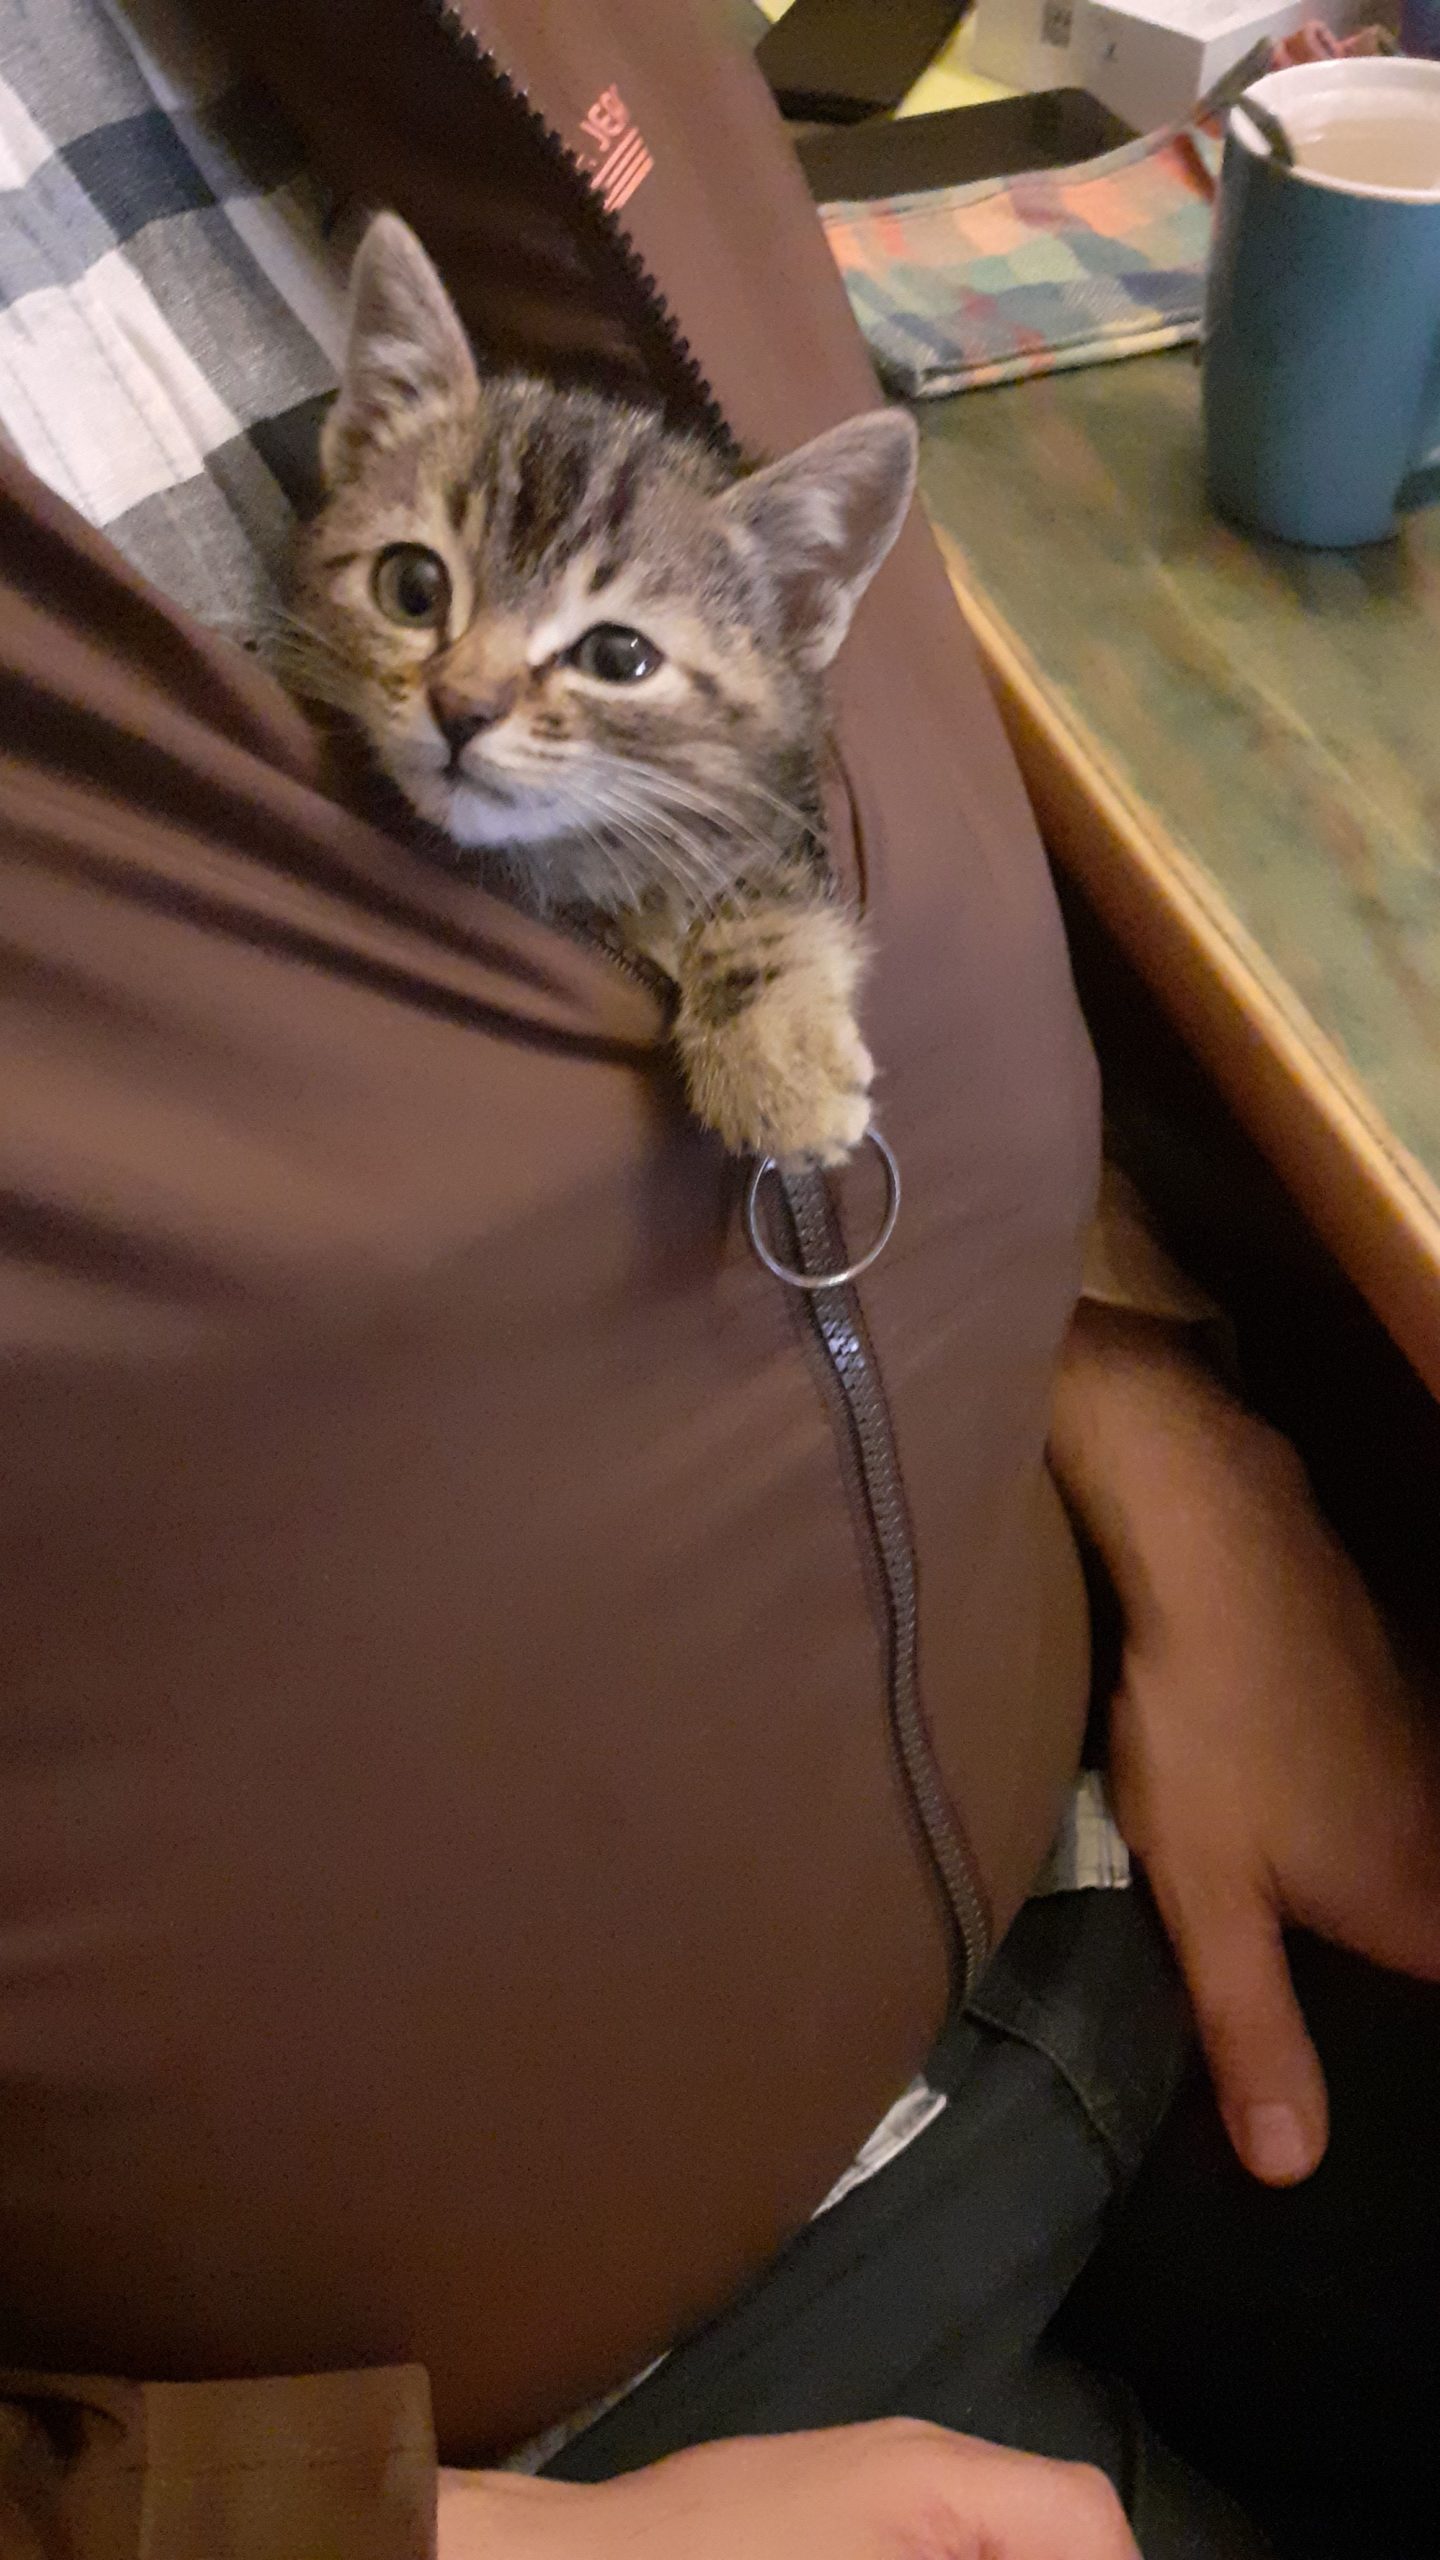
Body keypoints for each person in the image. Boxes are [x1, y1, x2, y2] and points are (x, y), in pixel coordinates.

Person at [0, 3, 1436, 2555]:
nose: (466, 691)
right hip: (541, 2430)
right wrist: (405, 2530)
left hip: (1096, 1857)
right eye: (431, 605)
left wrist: (1177, 1442)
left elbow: (886, 840)